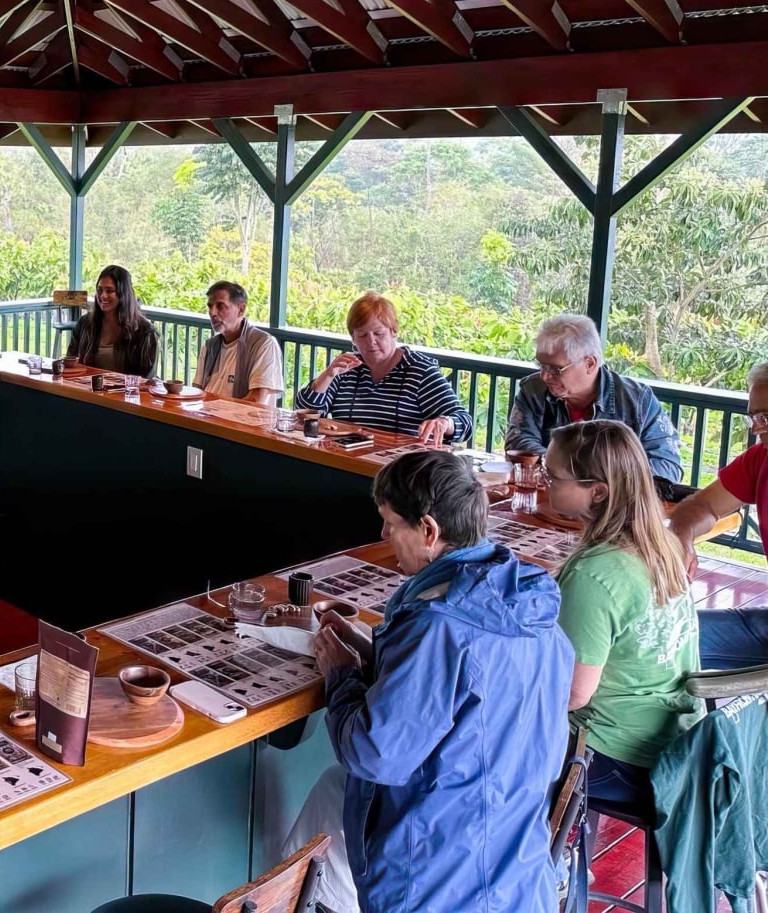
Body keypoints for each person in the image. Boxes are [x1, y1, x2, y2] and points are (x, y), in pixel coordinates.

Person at [289, 450, 571, 912]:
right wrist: (376, 651)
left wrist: (340, 673)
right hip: (514, 863)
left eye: (390, 523)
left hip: (438, 873)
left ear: (429, 530)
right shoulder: (525, 605)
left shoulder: (438, 624)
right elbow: (469, 694)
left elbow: (373, 753)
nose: (383, 535)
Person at [545, 420, 702, 807]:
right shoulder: (662, 542)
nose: (544, 482)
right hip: (676, 737)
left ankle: (543, 846)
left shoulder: (594, 575)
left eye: (553, 477)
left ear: (597, 491)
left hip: (612, 750)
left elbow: (572, 694)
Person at [668, 360, 768, 670]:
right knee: (659, 636)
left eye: (766, 417)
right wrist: (683, 536)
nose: (756, 428)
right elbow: (700, 506)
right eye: (754, 417)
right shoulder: (760, 459)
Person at [506, 313, 682, 481]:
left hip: (614, 500)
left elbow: (667, 467)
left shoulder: (637, 401)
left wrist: (586, 473)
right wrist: (575, 471)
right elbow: (518, 444)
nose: (544, 376)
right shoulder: (534, 389)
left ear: (590, 363)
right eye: (541, 365)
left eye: (555, 369)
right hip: (549, 496)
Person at [295, 292, 472, 443]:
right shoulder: (347, 367)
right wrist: (328, 375)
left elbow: (464, 422)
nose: (371, 341)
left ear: (394, 332)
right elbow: (305, 413)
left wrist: (445, 422)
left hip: (399, 465)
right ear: (353, 339)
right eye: (362, 335)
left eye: (378, 333)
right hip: (345, 457)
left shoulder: (418, 370)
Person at [191, 281, 282, 402]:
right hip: (206, 412)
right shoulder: (209, 346)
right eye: (210, 306)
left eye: (220, 306)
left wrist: (218, 408)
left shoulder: (263, 344)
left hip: (241, 414)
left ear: (241, 309)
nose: (212, 313)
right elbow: (197, 392)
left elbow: (256, 400)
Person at [66, 265, 157, 376]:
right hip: (85, 386)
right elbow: (70, 364)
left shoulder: (145, 332)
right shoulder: (84, 324)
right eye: (99, 290)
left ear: (124, 293)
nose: (103, 296)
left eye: (109, 291)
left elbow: (145, 379)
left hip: (126, 388)